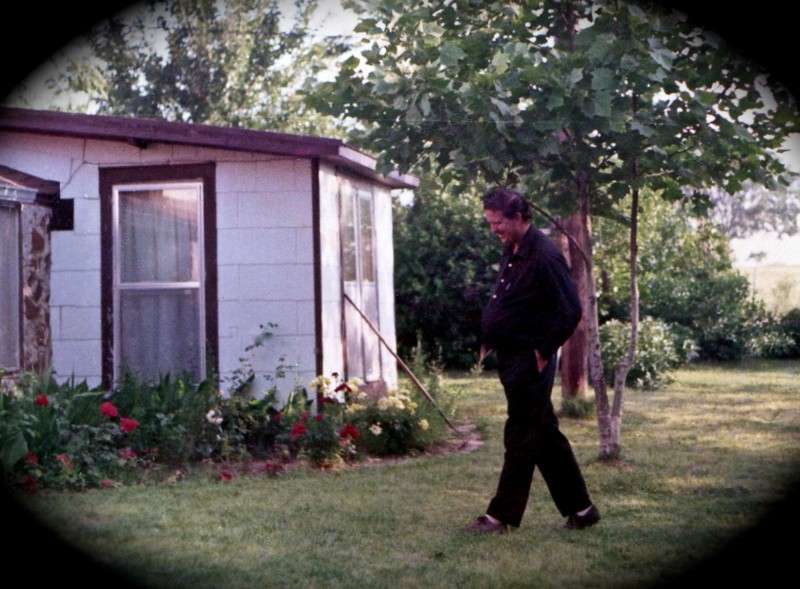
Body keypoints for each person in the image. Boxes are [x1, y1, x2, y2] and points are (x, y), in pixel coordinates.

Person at [466, 187, 600, 535]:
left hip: (530, 358)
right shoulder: (514, 248)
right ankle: (582, 510)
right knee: (543, 434)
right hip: (511, 354)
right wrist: (492, 336)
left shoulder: (545, 255)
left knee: (521, 434)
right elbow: (511, 298)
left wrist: (543, 350)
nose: (494, 229)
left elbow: (570, 310)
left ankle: (500, 516)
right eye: (490, 222)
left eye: (498, 222)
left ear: (518, 217)